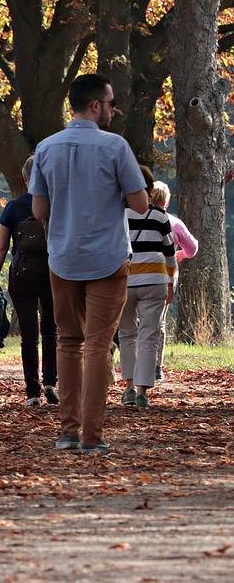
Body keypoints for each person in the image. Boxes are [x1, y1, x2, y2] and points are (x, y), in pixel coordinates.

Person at [30, 73, 149, 453]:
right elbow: (141, 204)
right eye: (111, 103)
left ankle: (68, 430)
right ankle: (92, 436)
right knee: (98, 344)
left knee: (67, 341)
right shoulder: (116, 147)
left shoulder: (46, 148)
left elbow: (38, 209)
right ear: (96, 105)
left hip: (62, 257)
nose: (113, 109)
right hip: (107, 257)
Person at [0, 155, 58, 407]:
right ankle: (51, 381)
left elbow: (1, 248)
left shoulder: (13, 207)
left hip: (22, 275)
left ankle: (32, 391)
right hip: (52, 273)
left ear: (24, 177)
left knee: (29, 335)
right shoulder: (55, 204)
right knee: (51, 329)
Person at [118, 175, 177, 409]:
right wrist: (171, 283)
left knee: (126, 334)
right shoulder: (161, 216)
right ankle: (143, 390)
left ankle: (129, 387)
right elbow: (170, 253)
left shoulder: (120, 214)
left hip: (124, 280)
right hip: (154, 279)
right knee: (149, 334)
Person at [151, 181, 197, 380]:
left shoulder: (135, 218)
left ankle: (137, 364)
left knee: (137, 320)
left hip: (137, 273)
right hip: (167, 274)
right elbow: (193, 248)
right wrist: (180, 255)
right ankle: (156, 367)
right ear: (166, 201)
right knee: (159, 322)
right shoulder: (174, 223)